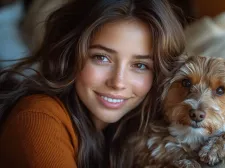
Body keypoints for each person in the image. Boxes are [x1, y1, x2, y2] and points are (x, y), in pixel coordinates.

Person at [0, 0, 186, 167]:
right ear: (70, 55)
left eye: (140, 65)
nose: (118, 82)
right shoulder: (37, 119)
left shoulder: (131, 133)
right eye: (102, 58)